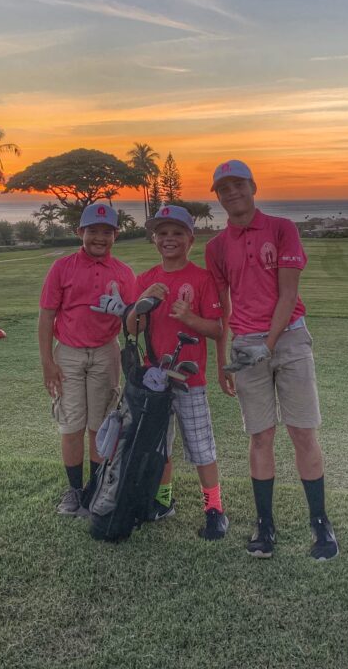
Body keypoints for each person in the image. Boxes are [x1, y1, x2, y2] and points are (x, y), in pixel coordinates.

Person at [205, 160, 338, 560]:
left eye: (238, 185)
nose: (232, 193)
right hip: (245, 346)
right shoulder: (215, 247)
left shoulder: (282, 229)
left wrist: (271, 341)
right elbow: (223, 308)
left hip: (291, 339)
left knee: (302, 432)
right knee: (260, 435)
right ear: (217, 196)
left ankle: (320, 523)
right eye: (223, 188)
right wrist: (221, 359)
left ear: (253, 186)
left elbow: (287, 294)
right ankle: (266, 526)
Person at [123, 205, 229, 540]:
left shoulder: (201, 279)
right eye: (163, 233)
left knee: (200, 446)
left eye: (177, 233)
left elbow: (217, 328)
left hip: (190, 380)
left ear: (190, 239)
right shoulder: (146, 279)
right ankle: (163, 500)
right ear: (154, 239)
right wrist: (141, 302)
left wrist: (190, 320)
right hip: (153, 380)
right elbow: (130, 328)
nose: (170, 239)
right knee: (159, 445)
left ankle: (214, 509)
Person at [38, 203, 136, 517]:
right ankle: (74, 490)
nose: (99, 238)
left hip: (106, 352)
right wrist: (47, 363)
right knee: (71, 425)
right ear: (80, 232)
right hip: (67, 353)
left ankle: (94, 489)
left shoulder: (123, 273)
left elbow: (136, 323)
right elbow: (46, 316)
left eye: (107, 232)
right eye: (93, 231)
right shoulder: (62, 268)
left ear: (115, 235)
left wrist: (125, 311)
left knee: (99, 426)